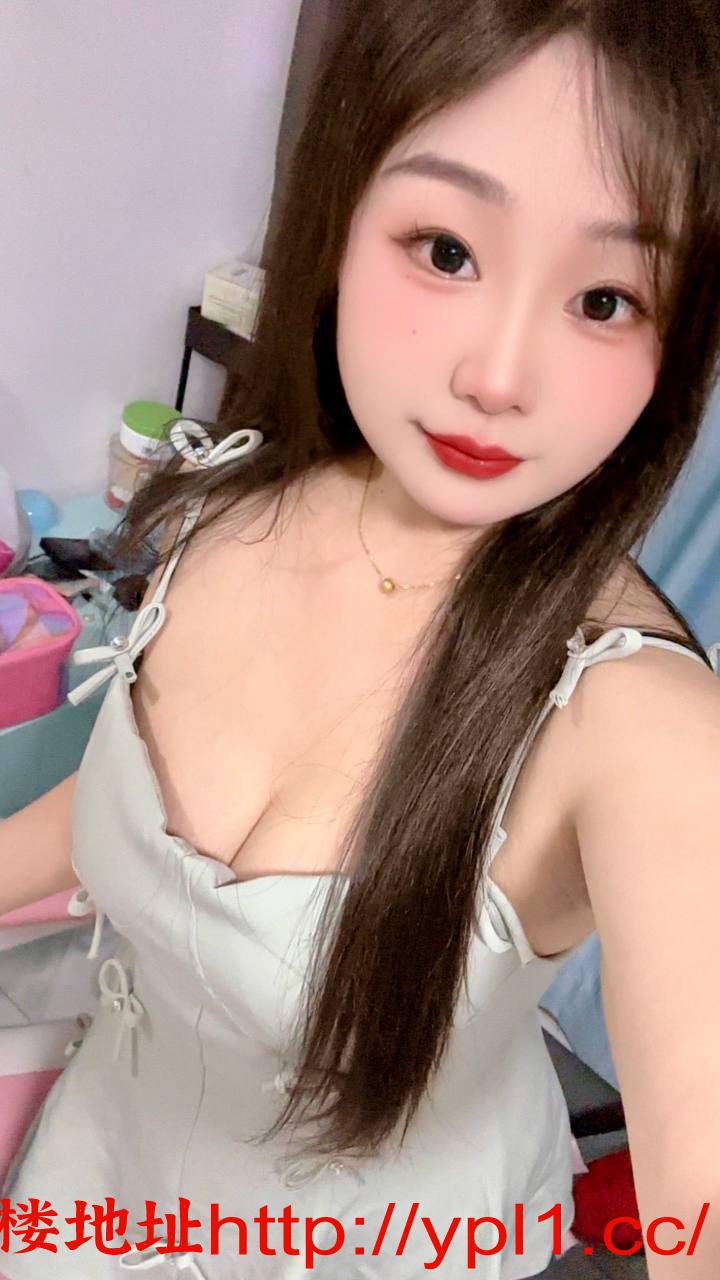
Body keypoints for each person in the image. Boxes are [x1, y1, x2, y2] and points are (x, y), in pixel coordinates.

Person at [1, 1, 719, 1276]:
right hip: (103, 1189)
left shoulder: (637, 724)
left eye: (604, 298)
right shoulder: (229, 506)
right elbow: (123, 803)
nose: (499, 375)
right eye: (446, 250)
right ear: (340, 211)